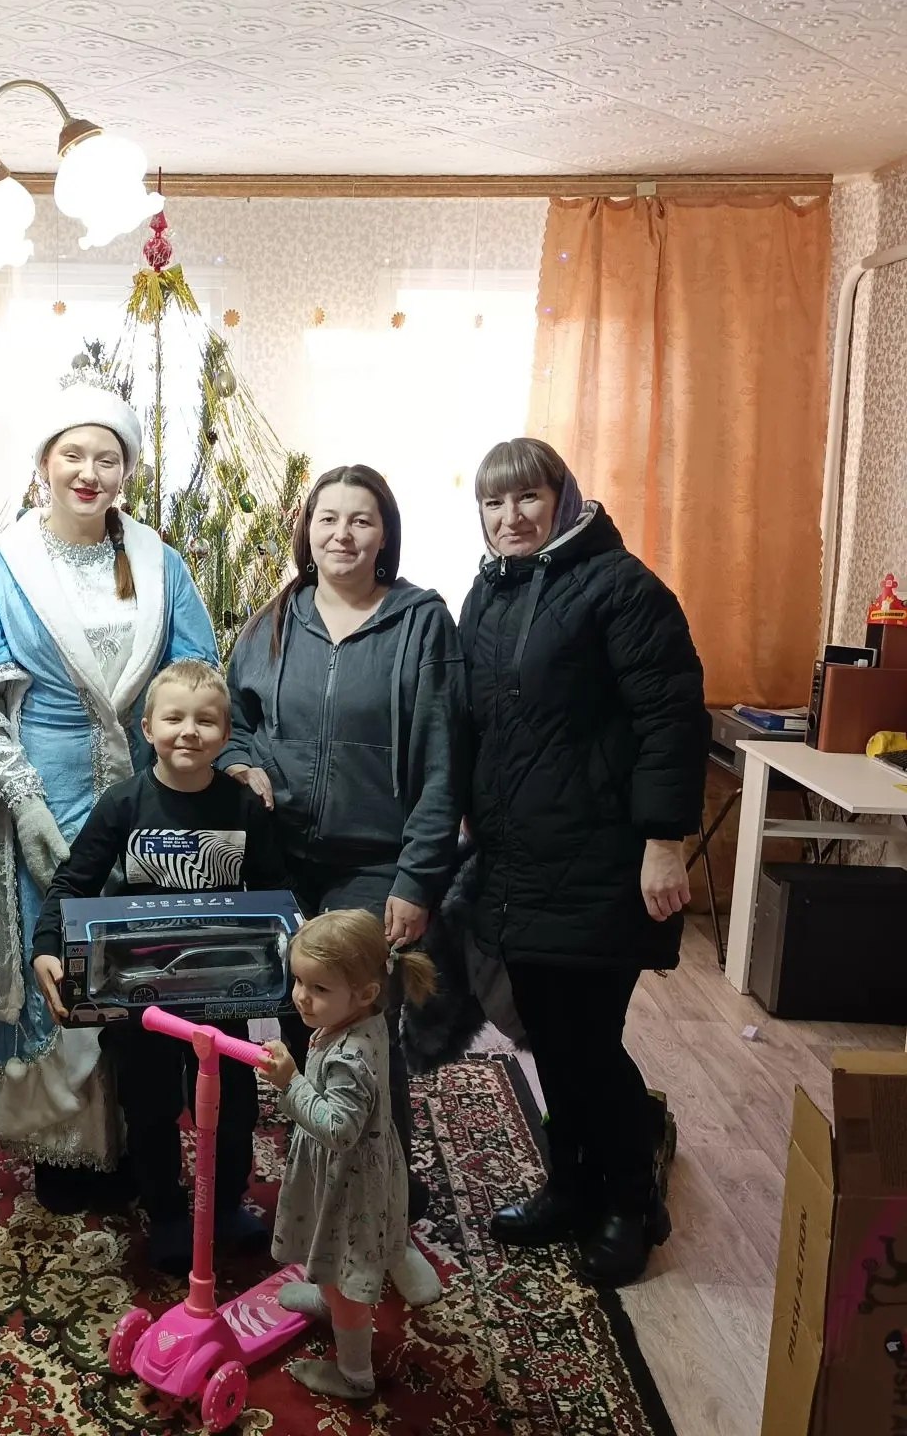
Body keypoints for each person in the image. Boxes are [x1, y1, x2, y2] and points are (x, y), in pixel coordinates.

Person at [0, 382, 218, 1211]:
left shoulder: (162, 563)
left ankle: (142, 1138)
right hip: (43, 792)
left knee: (144, 958)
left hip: (150, 791)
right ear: (44, 463)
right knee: (57, 954)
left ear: (127, 469)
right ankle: (65, 1149)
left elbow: (197, 670)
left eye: (107, 457)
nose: (88, 472)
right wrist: (26, 804)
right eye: (73, 454)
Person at [459, 437, 707, 1288]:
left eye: (527, 497)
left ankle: (631, 1203)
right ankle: (569, 1186)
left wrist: (665, 839)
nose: (510, 516)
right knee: (549, 1038)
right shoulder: (489, 593)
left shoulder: (621, 587)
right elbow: (481, 721)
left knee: (590, 1042)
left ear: (562, 498)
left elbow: (671, 717)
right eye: (494, 503)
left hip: (603, 859)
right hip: (519, 860)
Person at [222, 464, 468, 1218]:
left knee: (359, 1023)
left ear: (385, 533)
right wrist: (242, 763)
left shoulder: (422, 623)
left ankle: (384, 1190)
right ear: (308, 530)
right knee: (302, 1014)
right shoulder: (274, 620)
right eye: (328, 518)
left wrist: (417, 878)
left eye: (361, 519)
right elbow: (234, 722)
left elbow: (443, 760)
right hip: (282, 857)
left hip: (376, 860)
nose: (343, 534)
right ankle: (321, 1171)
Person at [30, 658, 286, 1270]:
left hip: (223, 991)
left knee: (234, 1106)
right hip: (139, 996)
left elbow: (275, 894)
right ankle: (166, 1211)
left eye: (205, 721)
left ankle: (226, 1204)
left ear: (226, 734)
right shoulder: (123, 803)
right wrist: (45, 945)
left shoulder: (244, 808)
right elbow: (72, 882)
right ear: (147, 728)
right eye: (173, 718)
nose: (188, 732)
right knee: (148, 1106)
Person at [256, 909, 440, 1399]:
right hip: (348, 1171)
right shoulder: (361, 1019)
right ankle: (327, 1298)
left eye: (318, 988)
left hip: (349, 1181)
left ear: (364, 993)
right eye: (299, 981)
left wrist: (291, 1083)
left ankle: (354, 1376)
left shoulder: (349, 1056)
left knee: (346, 1280)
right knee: (330, 1259)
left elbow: (338, 1129)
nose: (301, 996)